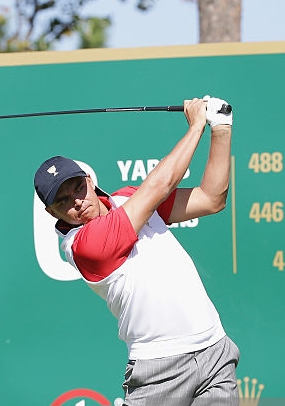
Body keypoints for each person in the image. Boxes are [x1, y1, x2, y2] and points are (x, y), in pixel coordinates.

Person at [34, 96, 239, 406]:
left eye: (76, 187)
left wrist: (221, 127)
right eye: (62, 200)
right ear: (52, 213)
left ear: (90, 182)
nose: (75, 200)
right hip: (160, 367)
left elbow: (211, 199)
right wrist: (197, 124)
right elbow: (159, 185)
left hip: (214, 349)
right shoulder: (83, 245)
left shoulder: (127, 199)